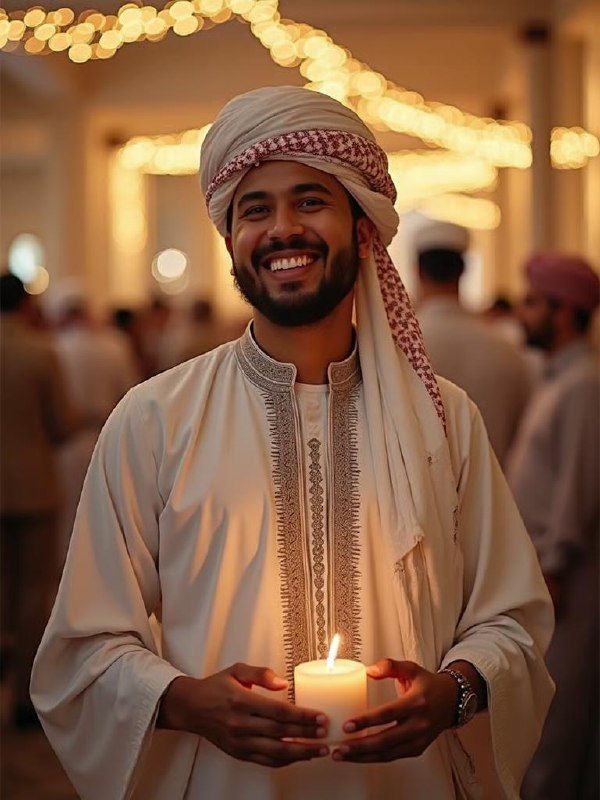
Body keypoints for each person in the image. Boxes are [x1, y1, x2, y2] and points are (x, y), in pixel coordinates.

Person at [31, 87, 554, 800]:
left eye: (310, 201)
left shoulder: (445, 420)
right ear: (230, 237)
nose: (283, 229)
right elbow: (81, 649)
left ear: (359, 224)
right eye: (256, 208)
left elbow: (511, 622)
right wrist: (186, 701)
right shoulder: (155, 419)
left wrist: (454, 694)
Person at [507, 253, 599, 800]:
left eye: (534, 303)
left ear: (565, 314)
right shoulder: (558, 380)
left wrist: (556, 567)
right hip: (546, 576)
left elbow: (577, 491)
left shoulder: (584, 385)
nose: (523, 313)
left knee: (559, 719)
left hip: (566, 582)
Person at [0, 273, 78, 727]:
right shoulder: (39, 351)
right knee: (32, 590)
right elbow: (62, 422)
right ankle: (25, 700)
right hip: (33, 482)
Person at [414, 219, 531, 466]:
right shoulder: (506, 350)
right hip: (495, 499)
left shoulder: (398, 347)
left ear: (418, 270)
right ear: (464, 270)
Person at [45, 280, 140, 557]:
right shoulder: (114, 345)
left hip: (67, 444)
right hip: (107, 437)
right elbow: (131, 393)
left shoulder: (55, 348)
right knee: (103, 517)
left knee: (68, 522)